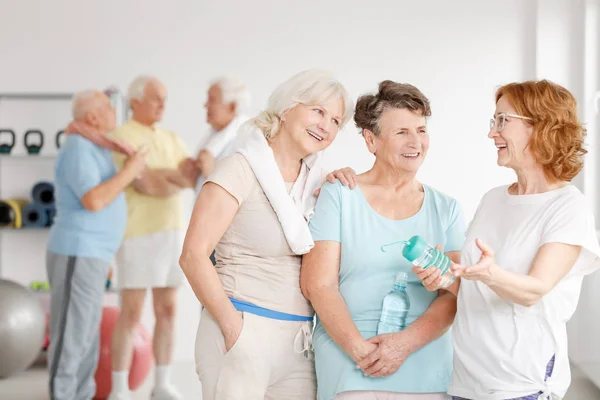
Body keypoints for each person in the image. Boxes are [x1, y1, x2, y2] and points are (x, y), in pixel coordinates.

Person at [416, 80, 600, 399]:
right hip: (466, 382)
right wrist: (444, 274)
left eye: (503, 121)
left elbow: (534, 290)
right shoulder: (493, 199)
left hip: (521, 385)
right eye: (494, 121)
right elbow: (474, 283)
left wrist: (488, 273)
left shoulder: (569, 207)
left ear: (541, 126)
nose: (492, 133)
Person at [179, 69, 354, 400]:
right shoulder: (239, 168)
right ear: (288, 108)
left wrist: (342, 185)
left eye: (335, 120)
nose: (326, 126)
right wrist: (234, 330)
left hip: (299, 343)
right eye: (318, 111)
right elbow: (192, 256)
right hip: (242, 331)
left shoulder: (317, 184)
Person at [301, 80, 466, 400]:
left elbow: (455, 295)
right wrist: (359, 350)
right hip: (349, 359)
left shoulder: (447, 208)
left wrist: (404, 344)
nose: (415, 142)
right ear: (371, 140)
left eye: (421, 129)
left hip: (425, 364)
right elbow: (318, 285)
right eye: (402, 131)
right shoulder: (339, 195)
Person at [46, 90, 146, 400]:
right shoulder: (78, 147)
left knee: (87, 334)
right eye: (107, 107)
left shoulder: (96, 146)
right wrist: (130, 171)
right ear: (91, 117)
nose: (115, 111)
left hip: (92, 254)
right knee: (71, 336)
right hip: (77, 250)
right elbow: (94, 200)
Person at [107, 75, 198, 400]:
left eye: (165, 98)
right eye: (156, 98)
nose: (163, 104)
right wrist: (168, 178)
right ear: (136, 101)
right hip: (137, 234)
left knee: (168, 310)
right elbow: (143, 184)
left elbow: (190, 178)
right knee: (130, 312)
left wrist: (163, 177)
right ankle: (119, 389)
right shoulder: (121, 136)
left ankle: (162, 384)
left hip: (172, 234)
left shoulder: (171, 137)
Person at [194, 77, 251, 194]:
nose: (205, 105)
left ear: (232, 106)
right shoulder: (212, 136)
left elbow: (241, 193)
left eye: (212, 100)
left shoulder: (247, 140)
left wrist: (210, 172)